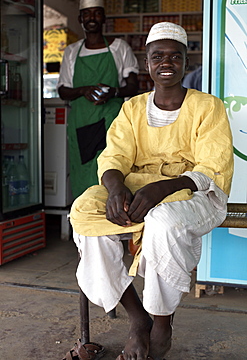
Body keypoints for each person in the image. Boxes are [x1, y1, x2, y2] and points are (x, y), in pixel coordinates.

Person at [66, 22, 233, 360]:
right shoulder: (132, 108)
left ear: (187, 62)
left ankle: (161, 322)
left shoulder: (207, 107)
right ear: (147, 63)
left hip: (193, 192)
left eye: (175, 56)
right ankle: (138, 317)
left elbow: (210, 169)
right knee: (84, 212)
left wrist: (163, 188)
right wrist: (115, 190)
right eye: (158, 56)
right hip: (138, 188)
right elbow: (113, 157)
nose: (166, 63)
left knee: (163, 222)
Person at [57, 0, 139, 199]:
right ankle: (83, 220)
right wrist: (84, 90)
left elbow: (133, 86)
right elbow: (63, 90)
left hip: (112, 120)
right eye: (86, 14)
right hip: (82, 122)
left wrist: (114, 92)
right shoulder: (71, 52)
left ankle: (115, 214)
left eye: (96, 13)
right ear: (80, 20)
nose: (91, 18)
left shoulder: (120, 47)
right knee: (84, 170)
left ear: (103, 18)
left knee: (113, 166)